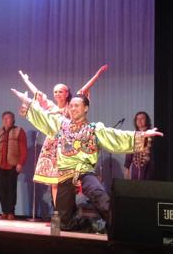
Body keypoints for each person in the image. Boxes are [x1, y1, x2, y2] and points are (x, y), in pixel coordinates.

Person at [12, 84, 162, 231]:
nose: (72, 108)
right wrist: (29, 103)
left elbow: (116, 136)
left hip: (84, 171)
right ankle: (86, 224)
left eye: (77, 106)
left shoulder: (94, 128)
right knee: (63, 222)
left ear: (86, 108)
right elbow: (44, 117)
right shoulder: (61, 124)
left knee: (102, 200)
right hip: (64, 174)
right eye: (71, 106)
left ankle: (123, 228)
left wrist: (142, 135)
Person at [18, 65, 108, 210]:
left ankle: (68, 212)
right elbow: (38, 94)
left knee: (67, 182)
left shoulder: (72, 107)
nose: (58, 94)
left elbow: (83, 91)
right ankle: (58, 214)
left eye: (61, 91)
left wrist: (97, 76)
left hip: (68, 147)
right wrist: (26, 80)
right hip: (52, 147)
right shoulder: (52, 107)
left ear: (67, 93)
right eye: (56, 91)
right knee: (55, 183)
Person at [0, 111, 27, 219]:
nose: (6, 120)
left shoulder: (19, 131)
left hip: (12, 165)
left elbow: (23, 150)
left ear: (13, 120)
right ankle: (4, 211)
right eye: (4, 118)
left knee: (11, 189)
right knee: (1, 189)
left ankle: (11, 212)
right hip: (0, 165)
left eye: (8, 118)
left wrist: (20, 163)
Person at [124, 111, 154, 180]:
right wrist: (127, 168)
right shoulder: (133, 135)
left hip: (149, 168)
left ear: (147, 120)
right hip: (135, 169)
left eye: (142, 118)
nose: (139, 121)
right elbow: (129, 152)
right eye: (137, 119)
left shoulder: (152, 135)